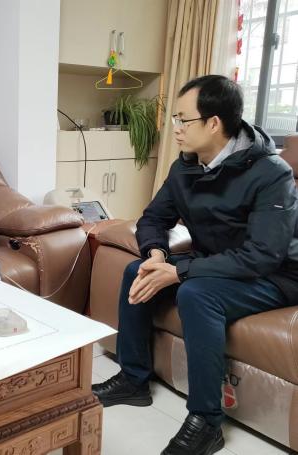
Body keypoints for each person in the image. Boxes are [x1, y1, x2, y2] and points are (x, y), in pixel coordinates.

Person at [92, 75, 298, 455]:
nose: (176, 129)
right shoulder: (186, 166)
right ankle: (133, 380)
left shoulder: (272, 173)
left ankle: (206, 422)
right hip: (218, 261)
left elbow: (263, 254)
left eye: (183, 120)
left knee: (197, 293)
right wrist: (156, 256)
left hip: (275, 275)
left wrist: (179, 271)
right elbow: (153, 218)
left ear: (214, 123)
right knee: (137, 270)